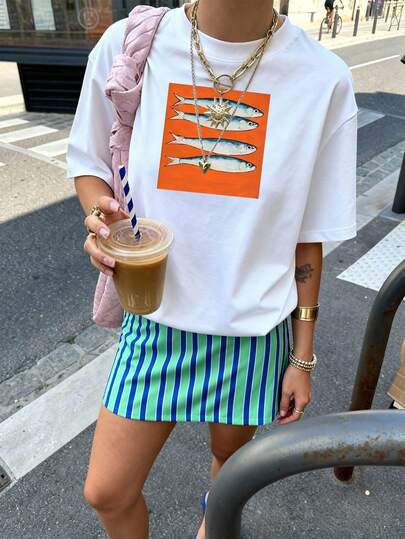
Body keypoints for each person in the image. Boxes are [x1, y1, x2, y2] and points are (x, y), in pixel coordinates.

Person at [67, 1, 358, 537]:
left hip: (252, 333)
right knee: (106, 491)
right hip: (154, 320)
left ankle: (213, 517)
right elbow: (89, 162)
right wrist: (99, 217)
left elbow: (307, 238)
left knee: (228, 464)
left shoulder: (323, 79)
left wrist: (302, 357)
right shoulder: (130, 45)